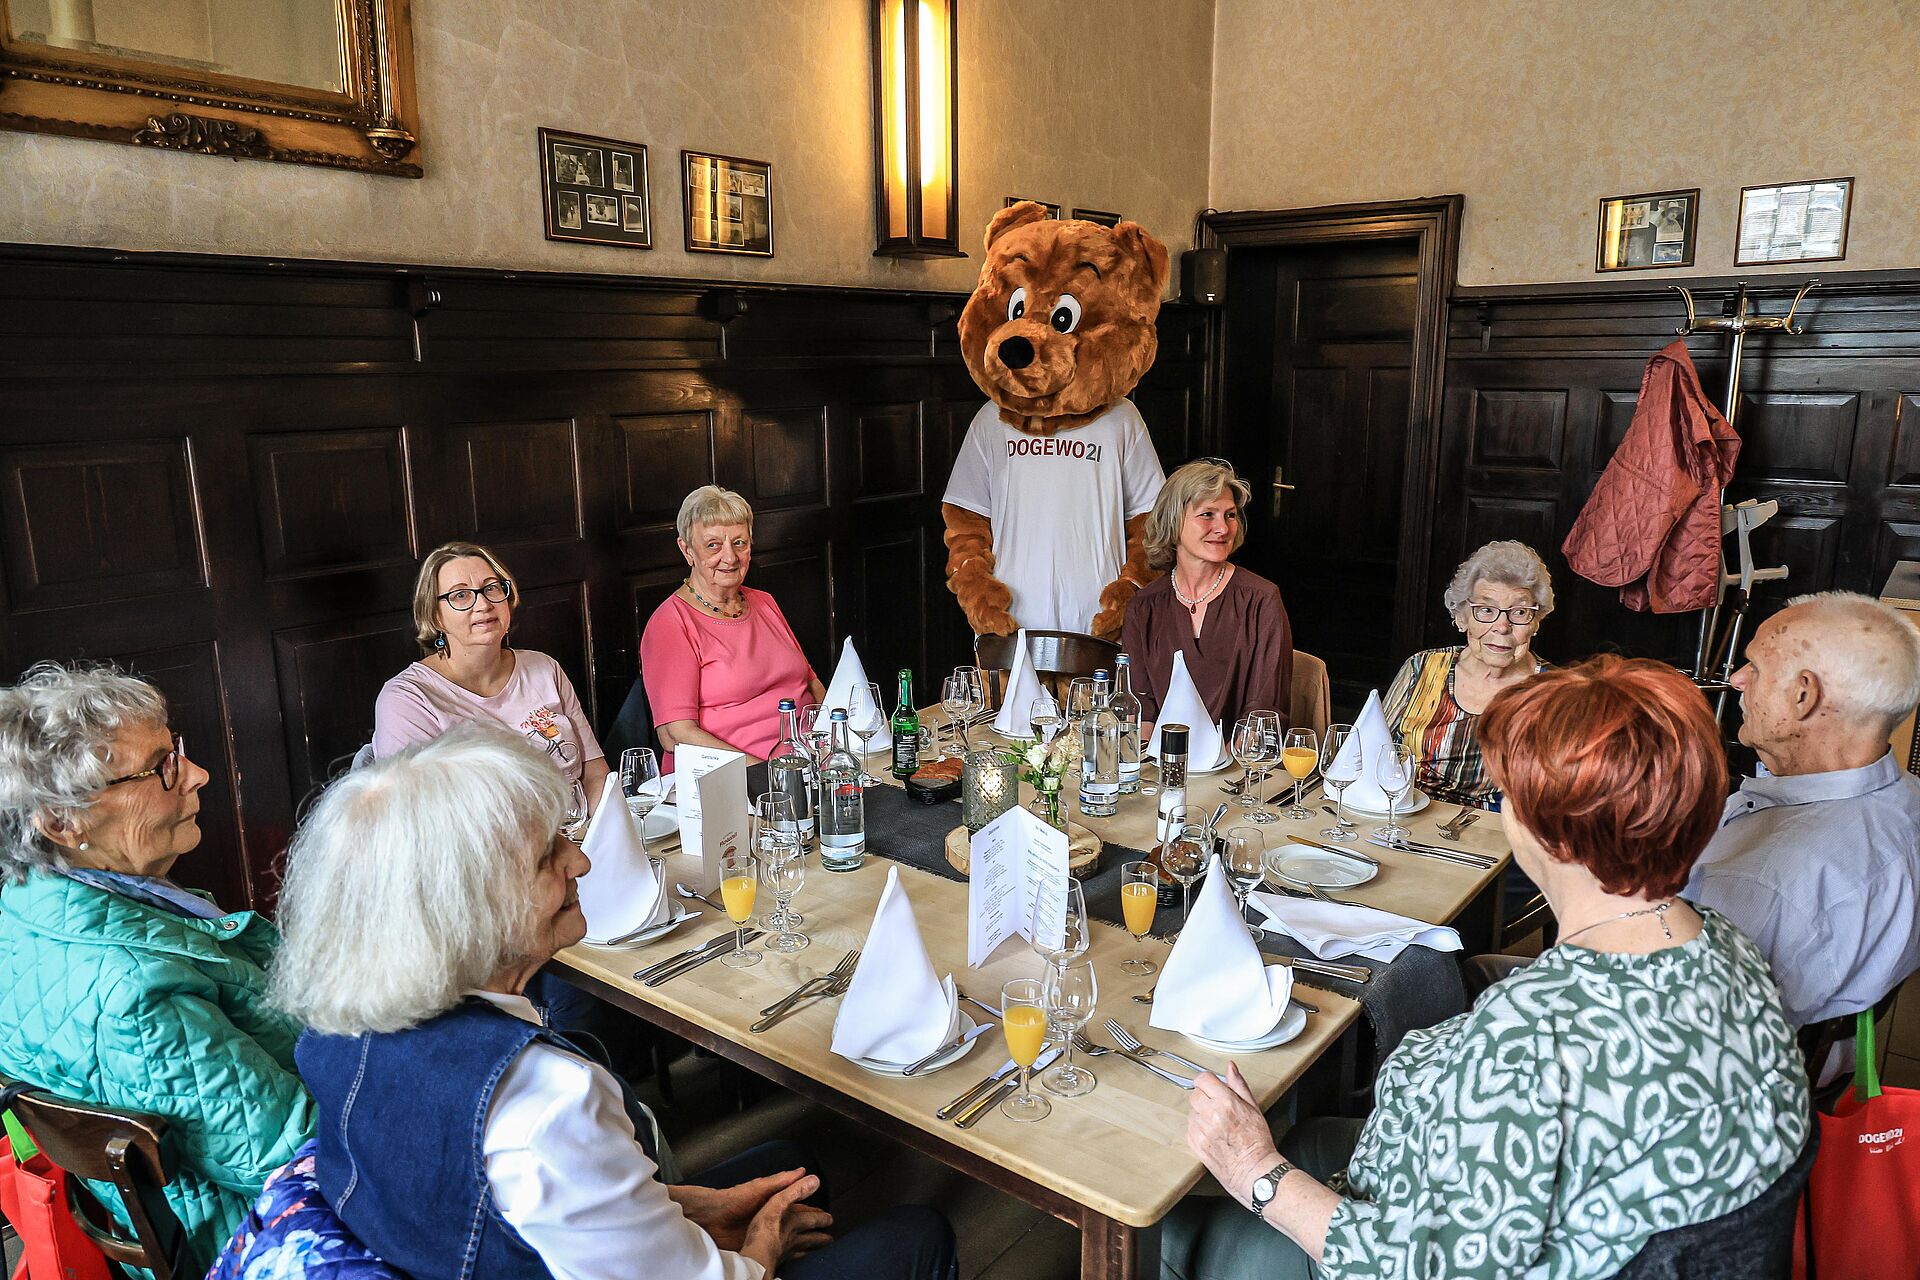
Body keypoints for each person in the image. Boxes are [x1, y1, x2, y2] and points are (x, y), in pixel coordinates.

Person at [1164, 657, 1810, 1280]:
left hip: (1391, 1245)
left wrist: (1256, 1170)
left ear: (1550, 832)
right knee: (1313, 1132)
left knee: (1164, 1225)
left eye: (1509, 794)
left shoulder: (1533, 1039)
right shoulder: (1726, 947)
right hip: (1547, 1207)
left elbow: (1430, 1266)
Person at [270, 725, 956, 1280]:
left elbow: (516, 1202)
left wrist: (688, 1207)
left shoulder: (335, 1033)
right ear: (468, 909)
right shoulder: (546, 1103)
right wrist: (759, 1248)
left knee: (790, 1166)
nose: (582, 863)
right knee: (917, 1234)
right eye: (548, 855)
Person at [0, 662, 315, 1264]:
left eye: (180, 753)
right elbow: (295, 1152)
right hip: (249, 1234)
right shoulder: (134, 994)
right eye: (161, 767)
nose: (197, 774)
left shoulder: (20, 912)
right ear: (65, 822)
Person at [1685, 590, 1920, 1027]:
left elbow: (1679, 1032)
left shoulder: (1758, 881)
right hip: (1827, 1061)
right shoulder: (1909, 801)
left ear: (1803, 696)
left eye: (1754, 666)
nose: (1737, 680)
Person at [374, 540, 610, 806]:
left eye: (491, 588)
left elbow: (595, 774)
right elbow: (420, 817)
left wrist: (600, 834)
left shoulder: (544, 668)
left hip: (583, 837)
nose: (483, 604)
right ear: (435, 616)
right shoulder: (407, 700)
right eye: (460, 595)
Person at [641, 486, 825, 766]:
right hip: (728, 778)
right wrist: (764, 772)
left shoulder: (764, 602)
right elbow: (675, 734)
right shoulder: (671, 623)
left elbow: (810, 683)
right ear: (687, 549)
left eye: (739, 543)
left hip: (806, 762)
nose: (730, 557)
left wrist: (831, 741)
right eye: (713, 545)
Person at [1122, 459, 1292, 734]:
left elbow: (1264, 714)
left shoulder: (1262, 600)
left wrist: (1218, 770)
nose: (1223, 528)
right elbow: (1141, 711)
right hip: (1161, 767)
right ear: (1173, 522)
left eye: (1230, 515)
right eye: (1207, 515)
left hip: (1235, 768)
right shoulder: (1143, 607)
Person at [1382, 540, 1553, 808]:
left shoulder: (1554, 691)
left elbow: (1561, 794)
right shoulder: (1422, 667)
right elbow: (1371, 750)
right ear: (1462, 617)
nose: (1502, 627)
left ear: (1535, 622)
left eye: (1519, 612)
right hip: (1404, 817)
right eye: (1486, 610)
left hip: (1495, 834)